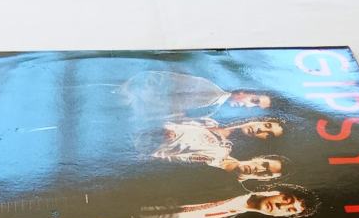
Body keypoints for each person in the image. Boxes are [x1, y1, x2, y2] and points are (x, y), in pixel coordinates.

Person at [119, 70, 271, 120]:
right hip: (127, 98)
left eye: (254, 107)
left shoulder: (212, 110)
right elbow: (162, 80)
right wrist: (132, 94)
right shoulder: (211, 91)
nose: (248, 106)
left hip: (130, 112)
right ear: (245, 91)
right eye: (254, 100)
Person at [136, 185, 317, 218]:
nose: (281, 206)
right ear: (276, 191)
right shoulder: (227, 184)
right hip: (131, 205)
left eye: (289, 210)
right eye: (286, 199)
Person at [148, 117, 284, 170]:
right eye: (267, 125)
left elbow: (175, 159)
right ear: (260, 120)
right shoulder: (211, 119)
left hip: (145, 149)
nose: (261, 130)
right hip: (147, 125)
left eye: (268, 134)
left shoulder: (221, 152)